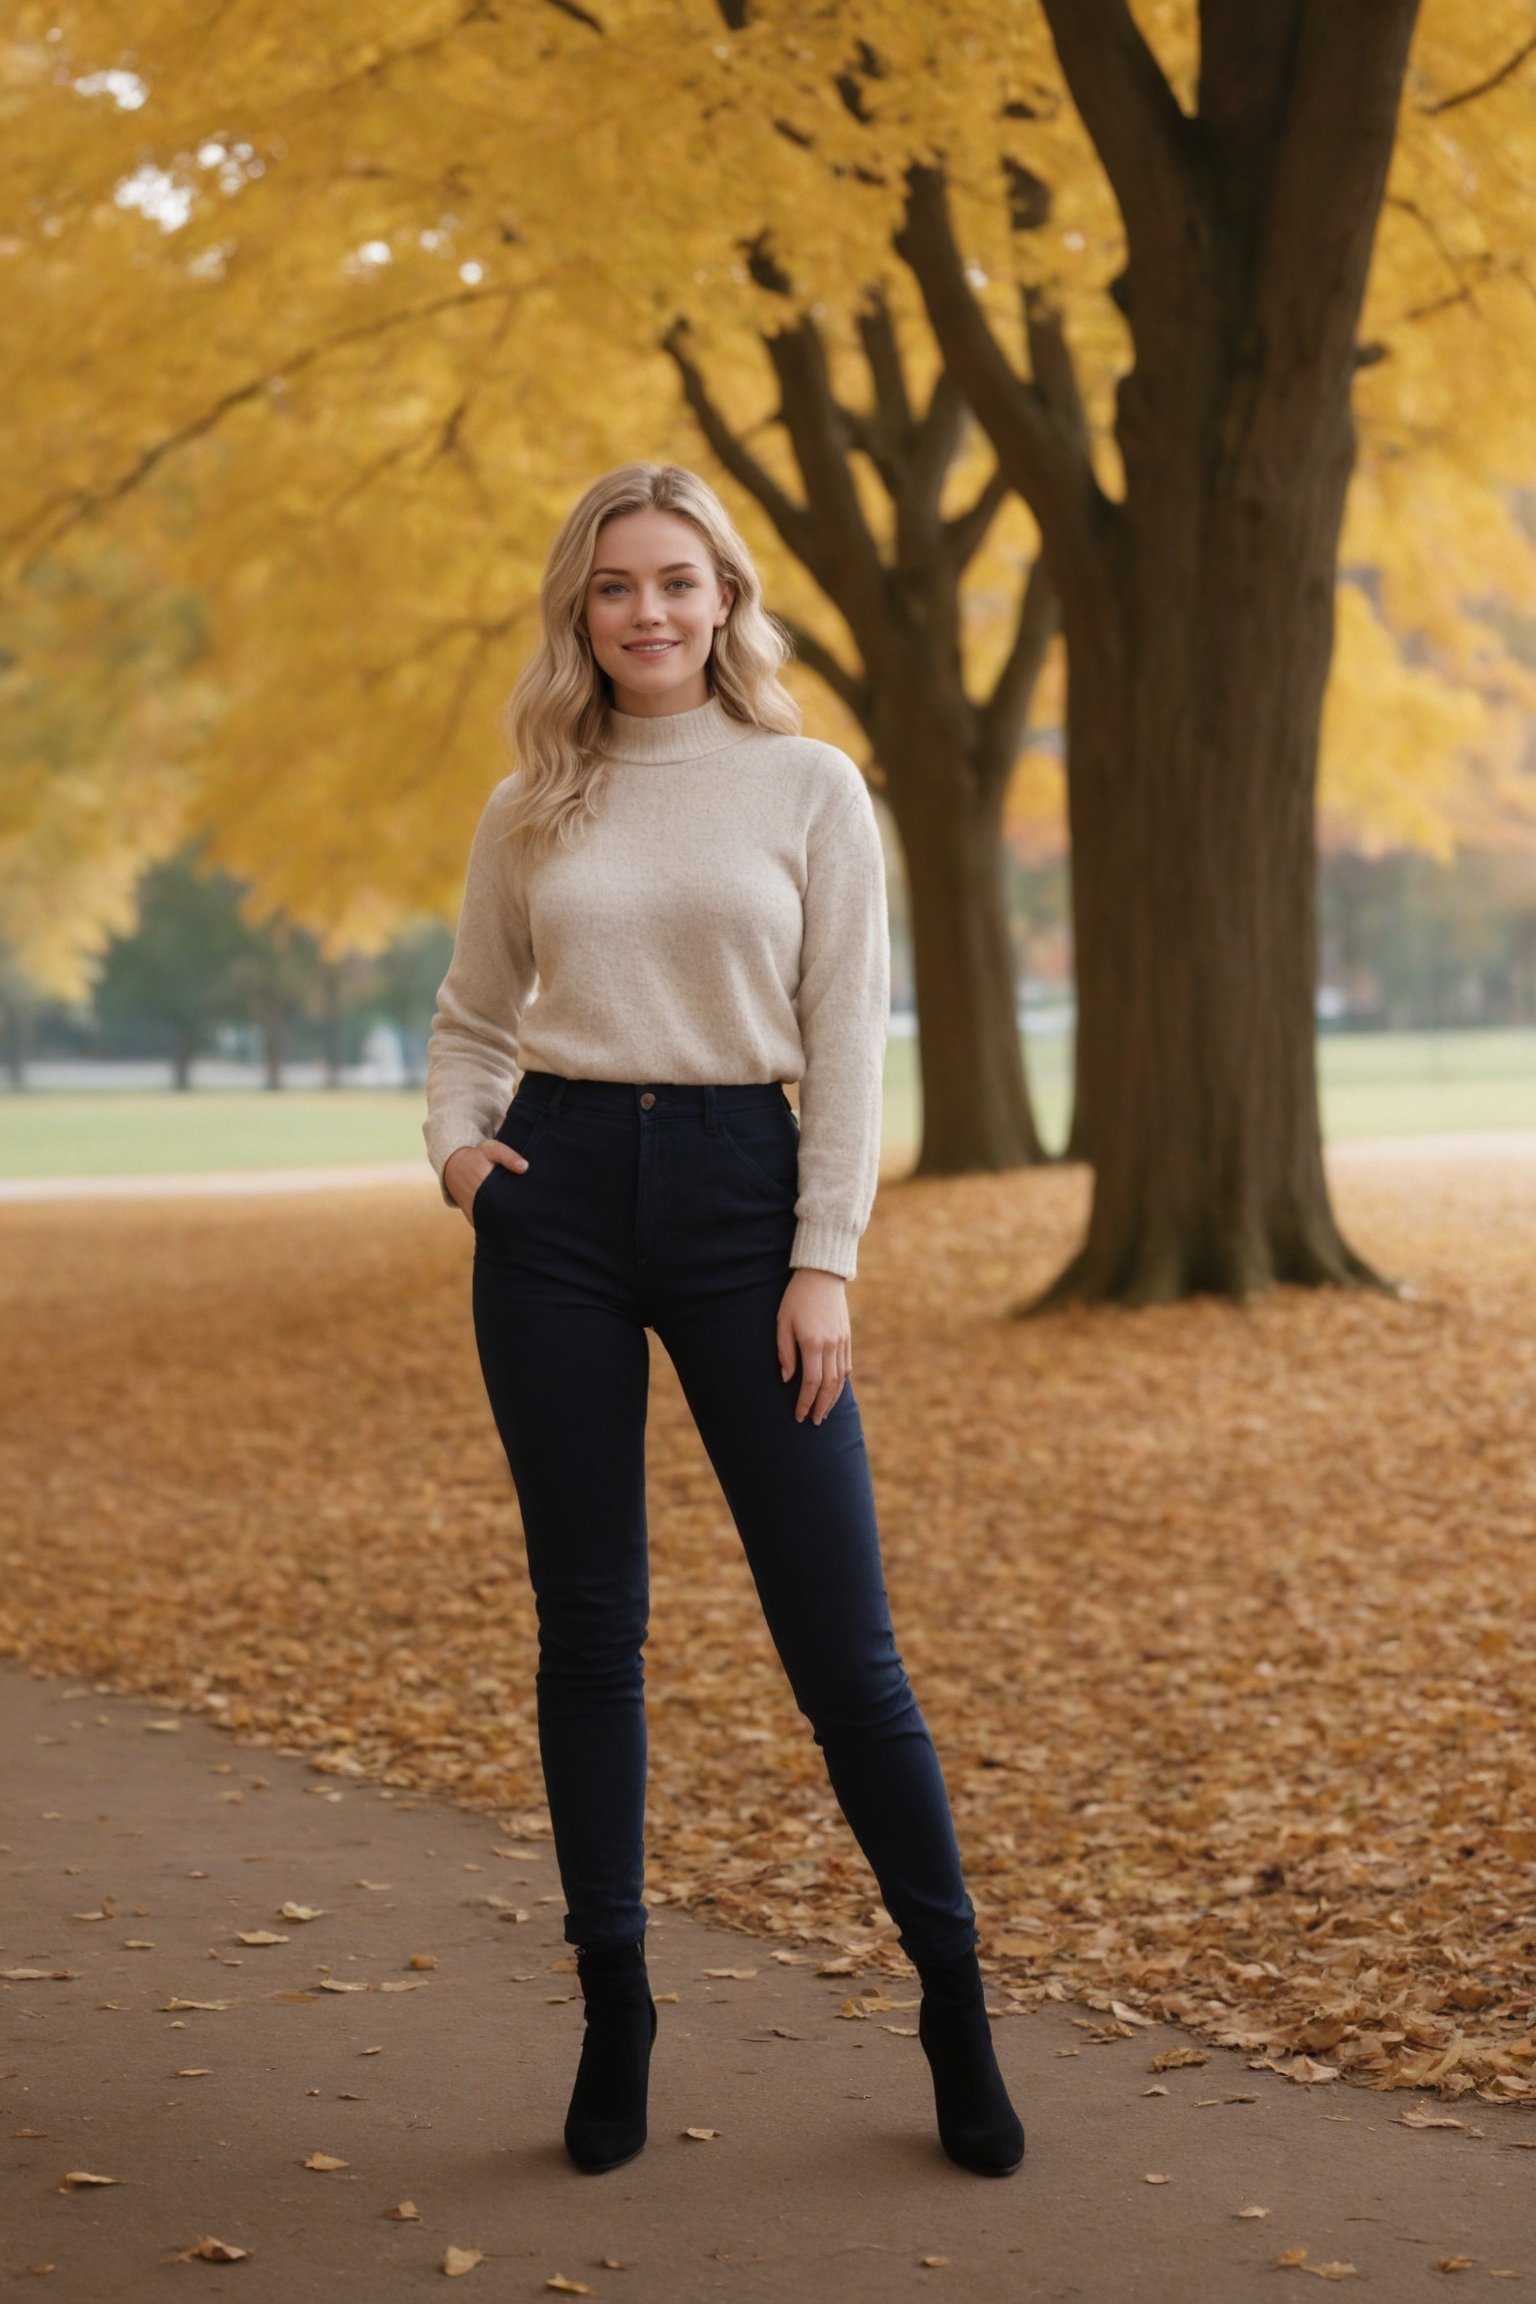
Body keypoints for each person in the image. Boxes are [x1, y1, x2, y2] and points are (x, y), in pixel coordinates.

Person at [422, 462, 1024, 2180]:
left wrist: (824, 1253)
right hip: (557, 1205)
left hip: (751, 1207)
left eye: (679, 581)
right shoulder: (534, 801)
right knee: (588, 1625)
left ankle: (953, 2001)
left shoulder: (810, 784)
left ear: (728, 599)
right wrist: (469, 1162)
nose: (650, 612)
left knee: (847, 1651)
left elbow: (850, 1040)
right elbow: (472, 1013)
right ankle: (617, 2004)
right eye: (616, 586)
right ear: (580, 611)